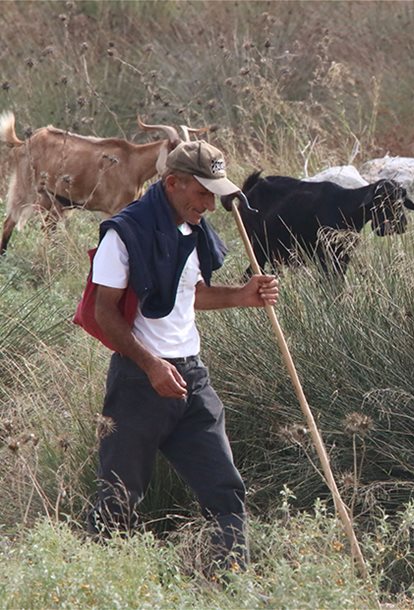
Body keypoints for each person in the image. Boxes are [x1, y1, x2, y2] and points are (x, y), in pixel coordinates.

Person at [86, 140, 278, 570]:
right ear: (172, 182)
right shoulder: (124, 232)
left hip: (193, 378)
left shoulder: (194, 230)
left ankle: (233, 584)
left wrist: (243, 296)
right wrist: (152, 365)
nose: (210, 204)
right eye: (202, 193)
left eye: (214, 193)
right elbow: (105, 311)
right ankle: (94, 583)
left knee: (225, 490)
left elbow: (187, 296)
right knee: (119, 494)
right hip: (139, 381)